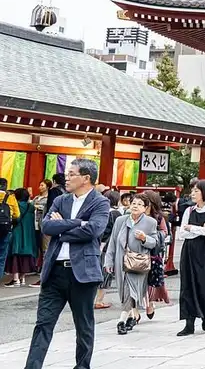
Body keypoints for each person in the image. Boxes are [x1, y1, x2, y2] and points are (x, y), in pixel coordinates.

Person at [24, 158, 110, 369]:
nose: (67, 178)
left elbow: (93, 231)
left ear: (86, 178)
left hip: (82, 273)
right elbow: (46, 226)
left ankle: (82, 366)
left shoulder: (100, 202)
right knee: (43, 324)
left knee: (83, 326)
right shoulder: (62, 200)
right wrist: (76, 223)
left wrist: (61, 227)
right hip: (54, 272)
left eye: (72, 174)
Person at [103, 193, 158, 335]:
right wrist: (108, 260)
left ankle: (121, 320)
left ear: (145, 208)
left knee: (131, 289)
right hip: (121, 261)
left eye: (140, 204)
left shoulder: (150, 222)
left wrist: (144, 238)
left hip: (138, 262)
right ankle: (133, 316)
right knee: (125, 290)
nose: (135, 206)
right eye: (134, 203)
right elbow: (113, 242)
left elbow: (155, 243)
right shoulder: (121, 220)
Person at [175, 181, 205, 336]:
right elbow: (182, 233)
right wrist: (200, 228)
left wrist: (193, 228)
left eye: (196, 191)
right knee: (187, 284)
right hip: (189, 250)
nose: (193, 194)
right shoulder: (189, 210)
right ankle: (189, 323)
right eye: (193, 191)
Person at [139, 190, 171, 313]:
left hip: (153, 253)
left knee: (151, 278)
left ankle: (150, 303)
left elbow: (165, 232)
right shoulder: (135, 214)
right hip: (137, 251)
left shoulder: (158, 217)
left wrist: (151, 237)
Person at [4, 188, 36, 286]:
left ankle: (15, 279)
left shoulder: (16, 205)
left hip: (17, 232)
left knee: (15, 255)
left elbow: (15, 219)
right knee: (26, 256)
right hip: (29, 233)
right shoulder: (31, 207)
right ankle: (22, 278)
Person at [0, 177, 22, 284]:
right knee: (2, 255)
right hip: (5, 229)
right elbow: (17, 215)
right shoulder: (10, 198)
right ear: (5, 186)